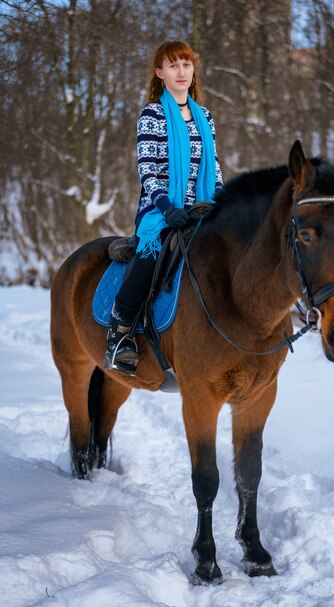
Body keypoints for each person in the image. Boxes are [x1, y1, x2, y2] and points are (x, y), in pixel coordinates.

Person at [103, 40, 223, 376]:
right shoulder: (152, 114)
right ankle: (120, 334)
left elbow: (214, 168)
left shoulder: (205, 117)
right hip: (161, 210)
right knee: (153, 253)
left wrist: (222, 202)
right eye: (173, 66)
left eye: (186, 65)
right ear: (160, 73)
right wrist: (168, 208)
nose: (181, 72)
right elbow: (148, 169)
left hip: (202, 208)